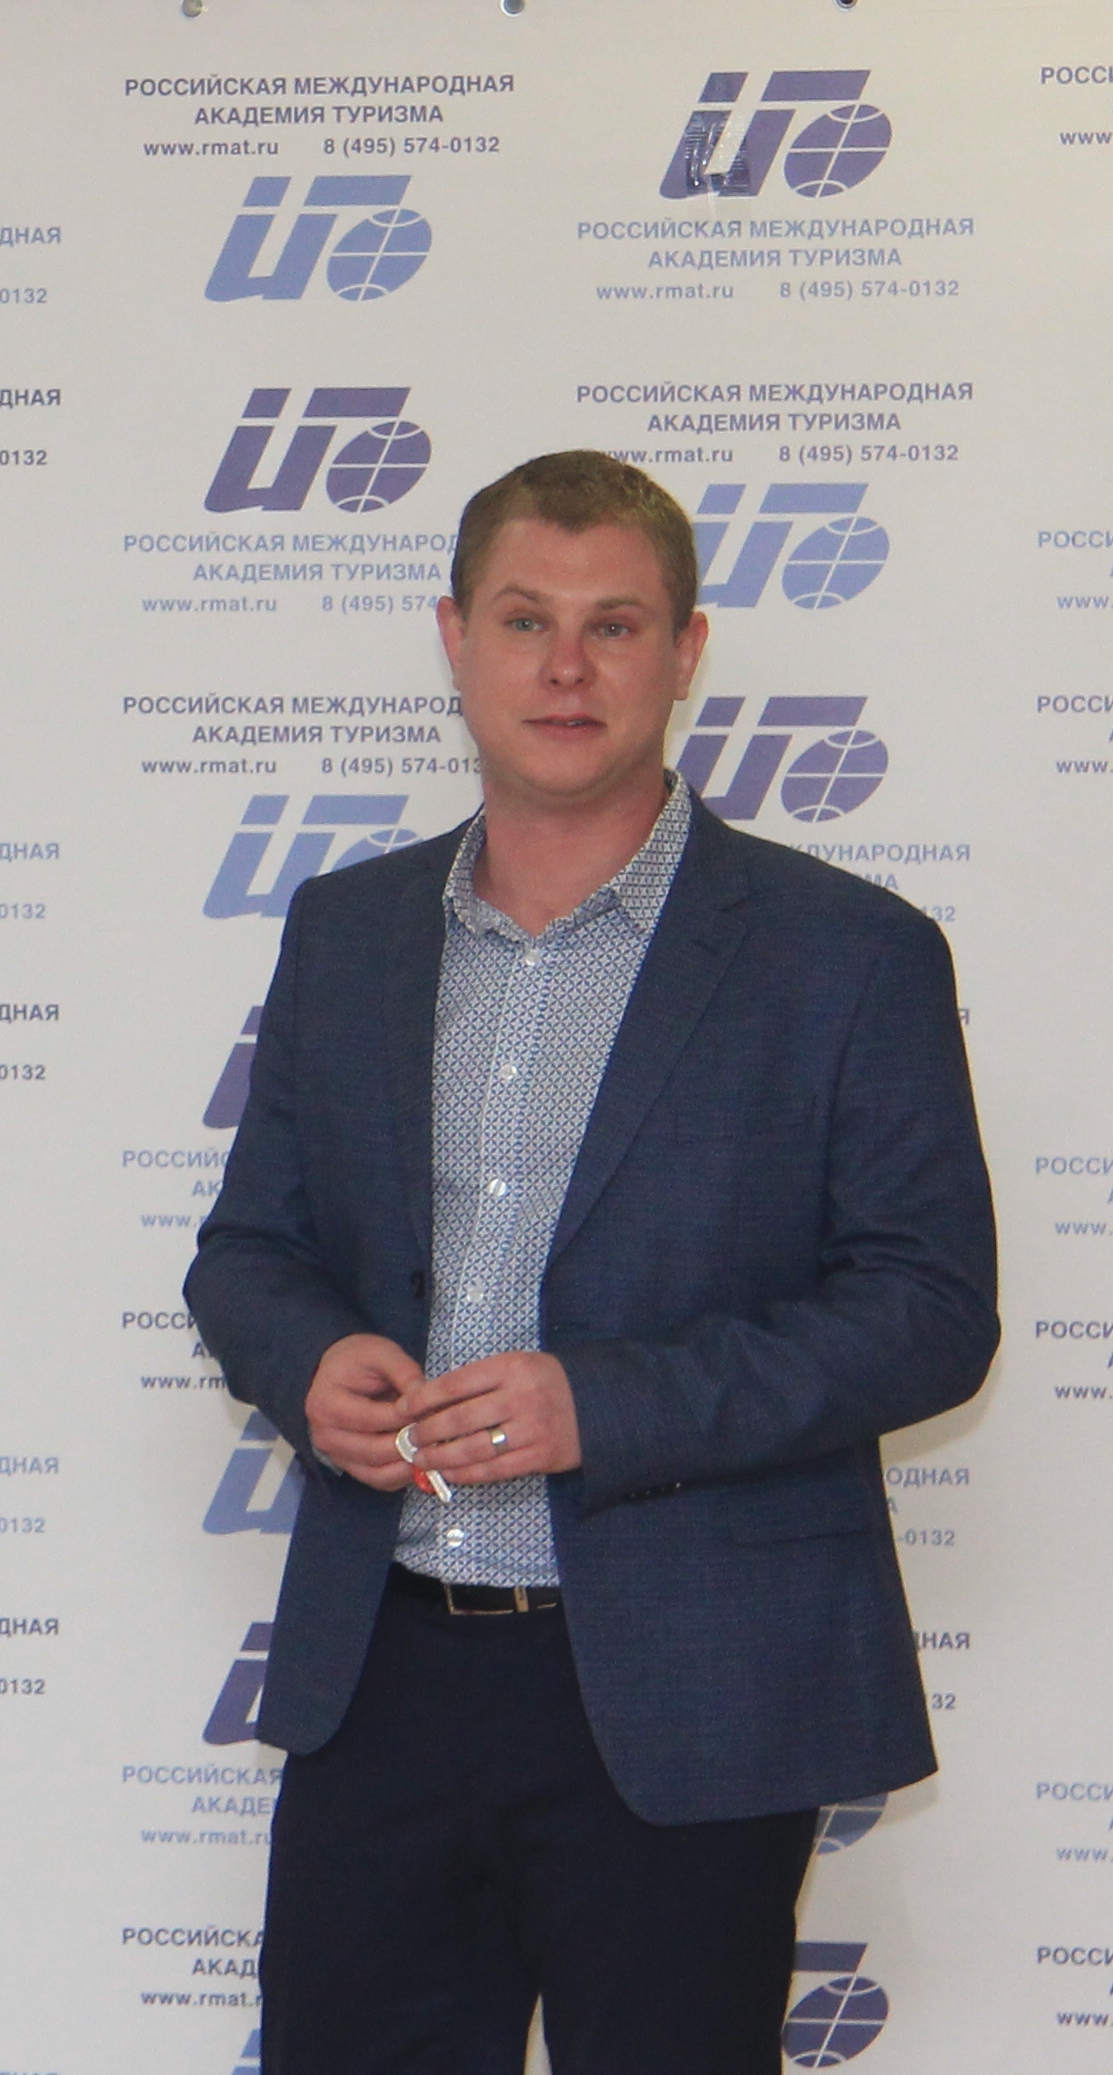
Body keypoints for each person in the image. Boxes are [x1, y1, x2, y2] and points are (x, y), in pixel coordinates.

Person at [188, 449, 996, 2074]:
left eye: (613, 625)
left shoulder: (849, 955)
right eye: (524, 620)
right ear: (454, 638)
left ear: (684, 652)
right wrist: (305, 1362)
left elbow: (927, 1312)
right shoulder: (347, 931)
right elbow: (249, 1250)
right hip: (381, 1674)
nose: (566, 668)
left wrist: (599, 1407)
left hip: (689, 1692)